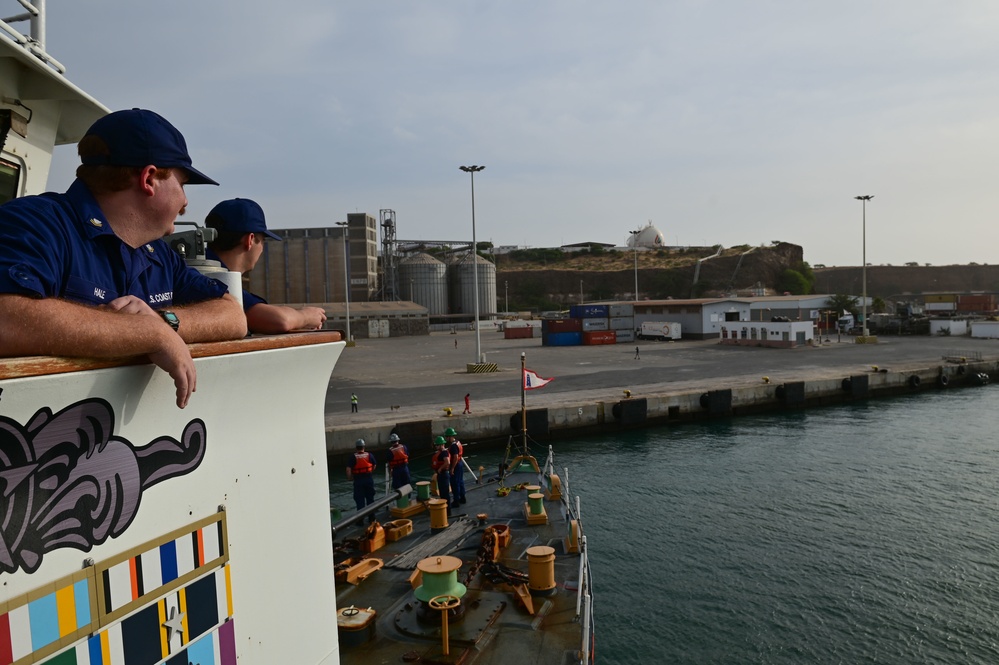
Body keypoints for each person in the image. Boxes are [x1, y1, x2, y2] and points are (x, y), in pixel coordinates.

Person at [0, 109, 246, 409]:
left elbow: (233, 315)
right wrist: (147, 333)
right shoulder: (37, 223)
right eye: (182, 184)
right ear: (149, 179)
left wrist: (163, 322)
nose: (185, 201)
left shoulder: (158, 255)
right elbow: (6, 318)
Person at [204, 198, 327, 334]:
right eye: (262, 241)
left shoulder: (193, 270)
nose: (262, 248)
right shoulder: (218, 280)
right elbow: (279, 320)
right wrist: (306, 316)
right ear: (250, 240)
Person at [346, 438, 377, 523]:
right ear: (364, 447)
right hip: (368, 479)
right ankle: (372, 518)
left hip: (358, 481)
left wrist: (350, 478)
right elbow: (374, 465)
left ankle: (360, 520)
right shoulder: (369, 455)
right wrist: (369, 472)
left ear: (356, 447)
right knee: (370, 499)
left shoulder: (353, 457)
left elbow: (348, 469)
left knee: (360, 500)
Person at [446, 427, 466, 507]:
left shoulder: (453, 446)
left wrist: (452, 468)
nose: (446, 438)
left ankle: (456, 500)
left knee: (455, 483)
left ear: (450, 436)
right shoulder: (458, 442)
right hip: (460, 464)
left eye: (447, 437)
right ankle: (462, 497)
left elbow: (455, 457)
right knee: (460, 481)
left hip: (456, 465)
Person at [431, 436, 451, 509]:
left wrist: (440, 468)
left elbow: (447, 462)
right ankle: (444, 509)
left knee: (445, 493)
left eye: (437, 445)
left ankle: (447, 510)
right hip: (441, 475)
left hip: (443, 474)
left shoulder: (444, 453)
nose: (436, 446)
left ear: (442, 445)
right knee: (442, 493)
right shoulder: (440, 453)